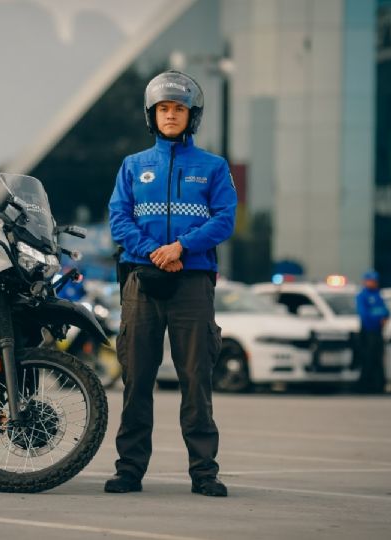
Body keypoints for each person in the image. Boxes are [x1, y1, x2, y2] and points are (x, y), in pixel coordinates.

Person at [105, 71, 237, 496]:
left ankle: (204, 473)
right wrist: (152, 251)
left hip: (193, 282)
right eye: (163, 109)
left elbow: (224, 220)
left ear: (191, 115)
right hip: (141, 281)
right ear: (152, 115)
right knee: (137, 378)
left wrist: (180, 247)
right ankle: (129, 470)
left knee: (195, 378)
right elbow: (118, 219)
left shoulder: (214, 167)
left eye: (179, 109)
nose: (170, 116)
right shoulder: (133, 166)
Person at [355, 270, 390, 394]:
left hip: (378, 332)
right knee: (367, 358)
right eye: (371, 280)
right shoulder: (362, 296)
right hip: (368, 331)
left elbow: (386, 311)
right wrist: (378, 317)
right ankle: (365, 385)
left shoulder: (378, 295)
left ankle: (378, 385)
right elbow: (364, 314)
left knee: (378, 359)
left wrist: (383, 317)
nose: (373, 283)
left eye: (375, 281)